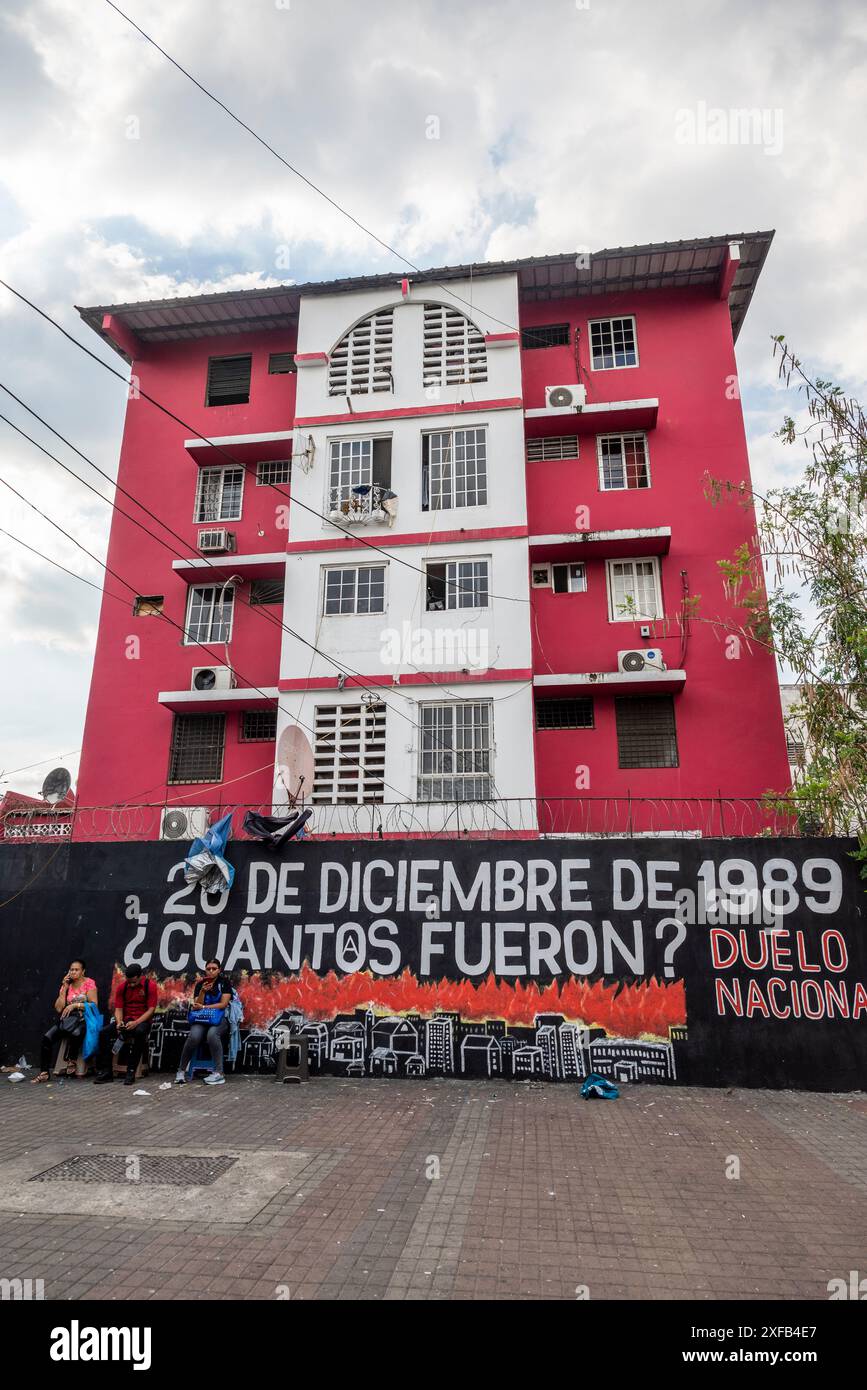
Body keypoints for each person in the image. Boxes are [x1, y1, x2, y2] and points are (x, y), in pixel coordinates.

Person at [32, 959, 98, 1083]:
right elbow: (58, 1008)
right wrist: (64, 989)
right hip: (68, 1019)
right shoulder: (67, 985)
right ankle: (44, 1072)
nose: (73, 972)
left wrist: (75, 1005)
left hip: (84, 1018)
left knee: (76, 1033)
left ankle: (72, 1059)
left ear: (83, 971)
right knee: (47, 1038)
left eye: (76, 970)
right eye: (71, 969)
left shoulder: (89, 983)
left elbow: (94, 1005)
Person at [92, 964, 159, 1086]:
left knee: (139, 1033)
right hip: (126, 1020)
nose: (131, 985)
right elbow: (118, 1008)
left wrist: (136, 1022)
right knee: (104, 1033)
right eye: (129, 982)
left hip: (142, 1022)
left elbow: (151, 1010)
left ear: (140, 977)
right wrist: (119, 1023)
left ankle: (131, 1071)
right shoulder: (122, 987)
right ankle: (107, 1072)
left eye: (133, 982)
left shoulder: (150, 986)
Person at [175, 960, 231, 1086]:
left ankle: (219, 1073)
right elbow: (196, 1005)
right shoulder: (200, 984)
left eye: (214, 968)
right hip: (201, 1019)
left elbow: (223, 1004)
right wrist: (203, 992)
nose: (211, 971)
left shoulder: (224, 983)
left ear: (219, 970)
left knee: (212, 1035)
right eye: (208, 968)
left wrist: (206, 1004)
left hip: (218, 1019)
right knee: (193, 1037)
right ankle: (181, 1070)